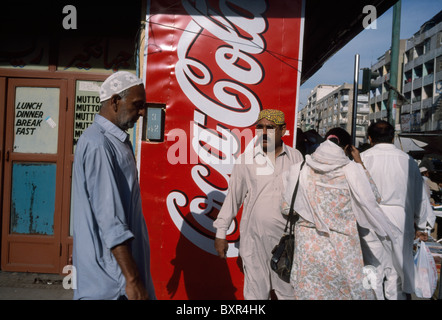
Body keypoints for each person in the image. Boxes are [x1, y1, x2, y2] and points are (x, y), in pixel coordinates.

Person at [282, 127, 397, 300]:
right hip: (343, 248)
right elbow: (374, 198)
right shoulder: (351, 169)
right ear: (346, 148)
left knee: (310, 292)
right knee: (344, 293)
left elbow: (286, 207)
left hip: (308, 247)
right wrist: (359, 162)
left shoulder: (300, 168)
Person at [72, 71, 156, 300]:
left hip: (114, 280)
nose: (142, 112)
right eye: (137, 105)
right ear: (115, 101)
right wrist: (132, 279)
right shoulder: (99, 144)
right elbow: (110, 220)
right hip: (111, 284)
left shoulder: (114, 141)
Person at [213, 109, 304, 300]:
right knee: (256, 295)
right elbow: (233, 198)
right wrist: (221, 233)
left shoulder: (296, 158)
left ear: (283, 130)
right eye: (259, 127)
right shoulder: (247, 160)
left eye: (270, 128)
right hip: (253, 240)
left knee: (288, 294)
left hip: (286, 241)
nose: (263, 132)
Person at [360, 120, 432, 300]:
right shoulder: (407, 160)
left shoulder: (363, 159)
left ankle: (369, 297)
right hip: (401, 218)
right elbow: (419, 195)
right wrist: (423, 226)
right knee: (397, 270)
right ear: (392, 138)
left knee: (371, 267)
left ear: (370, 138)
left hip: (369, 218)